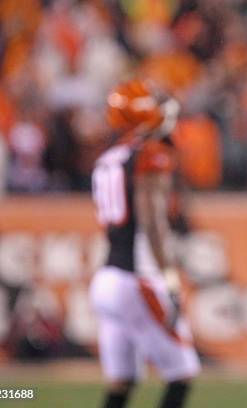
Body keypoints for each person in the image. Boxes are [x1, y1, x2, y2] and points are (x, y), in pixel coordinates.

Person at [89, 79, 200, 408]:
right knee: (182, 373)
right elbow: (152, 221)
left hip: (108, 277)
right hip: (138, 278)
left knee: (121, 382)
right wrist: (169, 277)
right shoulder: (149, 155)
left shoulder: (108, 159)